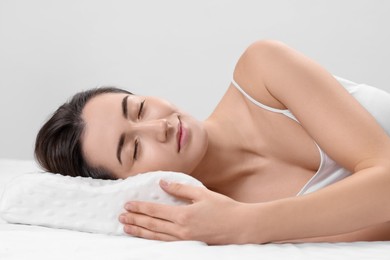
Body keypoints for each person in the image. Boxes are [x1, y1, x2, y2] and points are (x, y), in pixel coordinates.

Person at [35, 40, 390, 244]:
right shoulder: (209, 220)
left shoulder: (262, 71)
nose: (159, 126)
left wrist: (247, 224)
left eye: (140, 108)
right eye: (134, 149)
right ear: (129, 185)